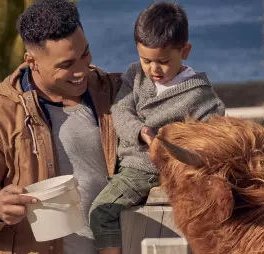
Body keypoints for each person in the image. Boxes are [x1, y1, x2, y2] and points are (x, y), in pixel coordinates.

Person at [0, 0, 122, 253]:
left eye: (85, 54)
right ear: (32, 61)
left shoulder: (114, 90)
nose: (81, 70)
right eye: (66, 64)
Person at [89, 2, 226, 254]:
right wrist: (141, 131)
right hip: (130, 163)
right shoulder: (135, 75)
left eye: (163, 61)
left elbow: (212, 138)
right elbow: (120, 110)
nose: (153, 69)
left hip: (150, 169)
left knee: (102, 211)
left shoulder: (200, 95)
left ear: (185, 51)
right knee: (103, 212)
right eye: (145, 60)